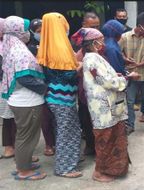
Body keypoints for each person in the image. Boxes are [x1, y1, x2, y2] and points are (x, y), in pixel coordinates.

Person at [80, 27, 139, 183]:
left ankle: (115, 169)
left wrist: (118, 75)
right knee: (105, 140)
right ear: (94, 43)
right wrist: (128, 78)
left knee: (114, 136)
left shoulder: (95, 57)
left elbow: (104, 76)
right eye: (101, 40)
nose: (103, 42)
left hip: (110, 105)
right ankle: (100, 171)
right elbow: (106, 81)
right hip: (102, 108)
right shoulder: (92, 59)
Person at [37, 12, 82, 178]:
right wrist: (80, 67)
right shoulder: (59, 47)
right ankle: (65, 168)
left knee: (63, 130)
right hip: (63, 98)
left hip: (53, 96)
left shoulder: (46, 44)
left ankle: (70, 159)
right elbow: (67, 76)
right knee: (67, 132)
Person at [2, 16, 47, 180]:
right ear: (18, 31)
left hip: (19, 99)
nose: (28, 33)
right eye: (25, 29)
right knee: (27, 136)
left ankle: (23, 163)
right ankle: (23, 171)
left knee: (24, 134)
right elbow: (24, 78)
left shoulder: (11, 46)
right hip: (26, 102)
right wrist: (45, 89)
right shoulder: (19, 50)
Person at [70, 12, 101, 156]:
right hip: (82, 84)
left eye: (97, 26)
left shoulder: (99, 41)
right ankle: (89, 144)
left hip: (97, 86)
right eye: (92, 27)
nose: (96, 30)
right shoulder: (75, 42)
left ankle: (96, 145)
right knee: (85, 116)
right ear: (84, 26)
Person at [27, 18, 55, 157]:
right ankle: (49, 144)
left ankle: (57, 141)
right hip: (41, 84)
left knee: (57, 115)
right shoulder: (31, 47)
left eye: (43, 30)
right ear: (32, 32)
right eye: (38, 31)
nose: (41, 33)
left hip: (55, 82)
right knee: (46, 116)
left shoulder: (52, 43)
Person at [0, 17, 16, 160]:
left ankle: (12, 147)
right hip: (4, 85)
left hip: (7, 83)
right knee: (8, 116)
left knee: (12, 116)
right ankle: (9, 147)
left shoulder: (6, 43)